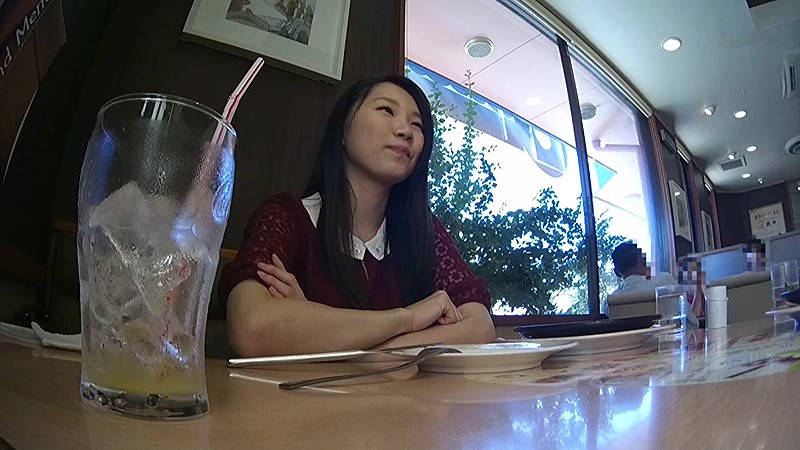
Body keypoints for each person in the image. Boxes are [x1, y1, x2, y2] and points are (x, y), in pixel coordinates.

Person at [219, 75, 496, 357]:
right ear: (342, 129)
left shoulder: (424, 233)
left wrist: (319, 333)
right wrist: (408, 319)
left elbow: (479, 329)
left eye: (417, 124)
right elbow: (252, 328)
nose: (405, 131)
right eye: (386, 109)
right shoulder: (286, 217)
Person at [610, 242, 699, 328]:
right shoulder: (666, 281)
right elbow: (692, 323)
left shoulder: (610, 303)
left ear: (616, 272)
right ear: (643, 261)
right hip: (671, 338)